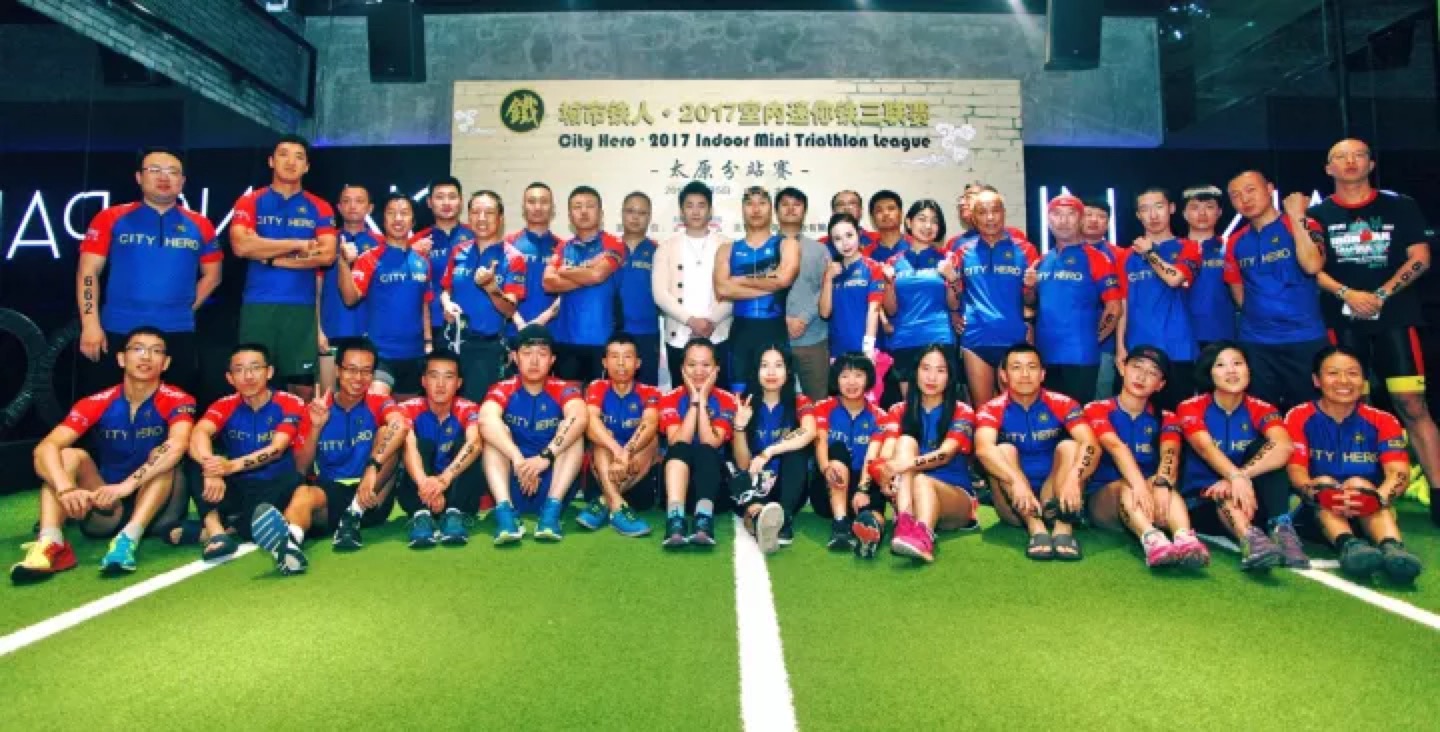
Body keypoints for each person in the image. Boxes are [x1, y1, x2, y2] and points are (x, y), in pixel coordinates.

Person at [1308, 138, 1440, 525]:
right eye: (1340, 157)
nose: (1350, 162)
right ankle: (1358, 494)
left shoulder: (1400, 206)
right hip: (1344, 322)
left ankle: (1437, 490)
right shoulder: (1317, 215)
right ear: (1328, 168)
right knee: (1350, 405)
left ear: (1371, 164)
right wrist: (1348, 294)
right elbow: (1312, 267)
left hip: (1395, 318)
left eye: (1358, 156)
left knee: (1412, 404)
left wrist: (1381, 294)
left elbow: (1421, 258)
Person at [12, 328, 195, 582]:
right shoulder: (97, 401)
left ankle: (127, 541)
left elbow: (177, 444)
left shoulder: (178, 399)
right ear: (121, 359)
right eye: (138, 349)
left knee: (163, 454)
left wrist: (127, 486)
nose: (146, 357)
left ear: (165, 363)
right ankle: (51, 542)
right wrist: (66, 488)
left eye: (156, 351)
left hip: (160, 507)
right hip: (107, 506)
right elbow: (45, 448)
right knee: (67, 455)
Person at [77, 147, 221, 397]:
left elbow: (213, 276)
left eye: (172, 171)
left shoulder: (201, 224)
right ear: (139, 177)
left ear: (182, 181)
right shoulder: (111, 218)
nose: (164, 177)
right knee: (108, 406)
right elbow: (88, 272)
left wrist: (184, 308)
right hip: (117, 328)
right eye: (154, 170)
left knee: (178, 407)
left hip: (178, 330)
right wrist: (90, 325)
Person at [1285, 346, 1423, 581]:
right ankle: (1349, 546)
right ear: (1316, 380)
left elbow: (1398, 473)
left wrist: (1376, 498)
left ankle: (1393, 549)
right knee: (1325, 483)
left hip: (1369, 510)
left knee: (1360, 484)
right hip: (1316, 511)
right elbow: (1296, 470)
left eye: (1352, 373)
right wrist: (1318, 492)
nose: (1344, 381)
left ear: (1363, 381)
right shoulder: (1299, 416)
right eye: (1333, 373)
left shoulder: (1383, 420)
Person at [1175, 341, 1308, 572]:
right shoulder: (1191, 407)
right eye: (1221, 365)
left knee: (1267, 448)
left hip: (1250, 496)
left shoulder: (1262, 408)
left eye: (1238, 363)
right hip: (1204, 500)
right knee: (1224, 494)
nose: (1231, 371)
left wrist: (1239, 477)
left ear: (1248, 369)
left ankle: (1281, 529)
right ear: (1209, 373)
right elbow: (1206, 448)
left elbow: (1284, 446)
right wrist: (1234, 479)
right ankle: (1252, 541)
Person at [229, 134, 337, 399]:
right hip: (258, 304)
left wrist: (268, 256)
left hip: (301, 308)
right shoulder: (250, 201)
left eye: (299, 157)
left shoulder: (319, 206)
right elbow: (241, 246)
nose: (291, 162)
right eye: (283, 155)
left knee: (303, 388)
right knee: (252, 382)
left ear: (307, 167)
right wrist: (298, 244)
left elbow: (326, 255)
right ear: (271, 161)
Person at [1083, 345, 1209, 568]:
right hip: (1104, 501)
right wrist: (1139, 485)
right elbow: (1115, 446)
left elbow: (1170, 454)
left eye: (1152, 373)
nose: (1141, 376)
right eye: (1136, 367)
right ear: (1122, 368)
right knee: (1128, 486)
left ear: (1160, 384)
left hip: (1148, 499)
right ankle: (1152, 540)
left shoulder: (1167, 418)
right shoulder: (1096, 409)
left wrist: (1162, 484)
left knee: (1161, 484)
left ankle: (1185, 539)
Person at [188, 344, 308, 571]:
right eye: (239, 370)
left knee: (295, 482)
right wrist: (210, 467)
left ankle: (232, 527)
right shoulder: (224, 404)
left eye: (255, 368)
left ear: (269, 372)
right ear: (230, 378)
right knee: (194, 462)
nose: (248, 376)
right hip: (237, 486)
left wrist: (230, 466)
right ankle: (216, 533)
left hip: (274, 486)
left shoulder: (291, 403)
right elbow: (199, 432)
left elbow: (277, 448)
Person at [974, 344, 1098, 561]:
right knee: (1003, 450)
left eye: (1032, 367)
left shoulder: (1063, 403)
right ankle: (1036, 529)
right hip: (1014, 502)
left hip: (1054, 497)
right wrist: (1016, 482)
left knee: (1070, 447)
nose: (1025, 374)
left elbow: (1091, 443)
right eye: (1016, 367)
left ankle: (1063, 528)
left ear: (1042, 374)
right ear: (1003, 375)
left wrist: (1074, 478)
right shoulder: (991, 409)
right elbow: (983, 449)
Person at [291, 339, 410, 551]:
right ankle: (289, 546)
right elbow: (301, 467)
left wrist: (372, 468)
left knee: (388, 433)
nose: (358, 378)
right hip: (331, 493)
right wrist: (316, 427)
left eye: (366, 371)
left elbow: (399, 425)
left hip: (372, 496)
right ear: (338, 370)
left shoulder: (379, 401)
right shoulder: (317, 409)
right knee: (302, 495)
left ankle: (353, 514)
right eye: (351, 370)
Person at [1223, 171, 1327, 412]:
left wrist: (1297, 216)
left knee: (1309, 412)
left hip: (1305, 338)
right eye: (1236, 195)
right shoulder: (1236, 241)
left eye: (1251, 190)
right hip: (1256, 343)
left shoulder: (1300, 224)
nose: (1244, 199)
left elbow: (1313, 265)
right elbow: (1238, 292)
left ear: (1269, 189)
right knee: (1262, 414)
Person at [479, 325, 588, 544]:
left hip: (553, 481)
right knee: (494, 434)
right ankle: (506, 514)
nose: (534, 361)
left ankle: (550, 514)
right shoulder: (502, 388)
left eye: (542, 354)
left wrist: (544, 458)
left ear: (552, 360)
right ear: (515, 358)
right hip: (512, 480)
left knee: (572, 431)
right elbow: (485, 420)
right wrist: (518, 459)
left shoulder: (564, 388)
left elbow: (579, 417)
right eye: (527, 353)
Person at [870, 346, 977, 563]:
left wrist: (903, 466)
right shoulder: (898, 410)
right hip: (907, 494)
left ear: (950, 376)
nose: (931, 377)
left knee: (921, 481)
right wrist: (884, 473)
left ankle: (924, 537)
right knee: (906, 441)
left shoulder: (962, 411)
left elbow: (945, 454)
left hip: (955, 499)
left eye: (940, 370)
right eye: (925, 368)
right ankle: (905, 522)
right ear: (915, 372)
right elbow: (887, 454)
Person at [336, 193, 432, 399]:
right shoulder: (369, 258)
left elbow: (424, 304)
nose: (398, 219)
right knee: (378, 403)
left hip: (415, 354)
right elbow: (350, 299)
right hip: (381, 354)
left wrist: (428, 342)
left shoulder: (422, 262)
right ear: (383, 219)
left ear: (413, 220)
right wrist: (343, 263)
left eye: (404, 213)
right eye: (391, 213)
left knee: (407, 414)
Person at [1116, 188, 1202, 411]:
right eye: (1145, 209)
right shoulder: (1125, 256)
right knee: (1139, 417)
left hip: (1179, 348)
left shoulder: (1189, 247)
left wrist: (1149, 253)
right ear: (1138, 215)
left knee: (1178, 417)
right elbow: (1122, 303)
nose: (1153, 215)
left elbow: (1174, 279)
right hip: (1138, 348)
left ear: (1171, 208)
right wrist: (1120, 347)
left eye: (1159, 206)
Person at [1033, 193, 1121, 404]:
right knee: (1052, 418)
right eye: (1057, 214)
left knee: (1080, 417)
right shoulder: (1042, 260)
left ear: (1081, 219)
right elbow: (1032, 305)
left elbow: (1114, 308)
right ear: (1048, 220)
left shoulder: (1097, 258)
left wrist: (1093, 339)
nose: (1063, 220)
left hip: (1080, 356)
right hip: (1044, 356)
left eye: (1071, 214)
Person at [728, 345, 817, 554]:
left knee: (796, 451)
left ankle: (783, 518)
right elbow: (743, 464)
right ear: (755, 371)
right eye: (764, 365)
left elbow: (809, 431)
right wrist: (739, 427)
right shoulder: (743, 404)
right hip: (751, 484)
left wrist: (769, 452)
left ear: (788, 371)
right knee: (731, 469)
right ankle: (758, 518)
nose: (771, 372)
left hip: (787, 488)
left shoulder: (800, 402)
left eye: (778, 365)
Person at [393, 350, 486, 548]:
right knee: (417, 443)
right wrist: (426, 486)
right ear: (423, 381)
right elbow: (409, 447)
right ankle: (421, 516)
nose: (441, 384)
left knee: (467, 444)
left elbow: (475, 444)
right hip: (418, 489)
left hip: (456, 487)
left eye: (448, 377)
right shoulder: (407, 409)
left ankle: (455, 514)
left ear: (459, 383)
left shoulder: (469, 408)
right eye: (434, 376)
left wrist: (443, 480)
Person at [439, 190, 525, 401]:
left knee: (477, 410)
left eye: (489, 212)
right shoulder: (458, 252)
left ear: (501, 218)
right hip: (452, 344)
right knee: (448, 407)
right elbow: (446, 290)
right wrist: (447, 304)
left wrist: (490, 287)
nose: (482, 218)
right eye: (476, 212)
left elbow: (509, 310)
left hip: (486, 350)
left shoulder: (513, 258)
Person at [714, 186, 801, 394]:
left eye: (762, 203)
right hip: (741, 333)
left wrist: (740, 280)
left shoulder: (786, 244)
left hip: (774, 329)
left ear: (771, 209)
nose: (756, 209)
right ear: (742, 209)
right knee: (739, 398)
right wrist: (772, 284)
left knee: (777, 397)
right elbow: (722, 288)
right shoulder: (727, 249)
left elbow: (784, 278)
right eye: (749, 203)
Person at [955, 190, 1038, 407]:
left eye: (995, 211)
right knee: (983, 410)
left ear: (1004, 213)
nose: (990, 218)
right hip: (976, 340)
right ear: (974, 218)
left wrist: (1031, 288)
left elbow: (1031, 301)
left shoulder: (1025, 249)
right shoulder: (962, 253)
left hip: (1014, 339)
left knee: (1016, 409)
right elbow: (955, 296)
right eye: (982, 212)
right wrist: (954, 314)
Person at [657, 337, 739, 548]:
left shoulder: (727, 400)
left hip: (713, 490)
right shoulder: (669, 398)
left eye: (706, 365)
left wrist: (702, 400)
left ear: (717, 369)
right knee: (680, 449)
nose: (698, 371)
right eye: (691, 365)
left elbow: (710, 441)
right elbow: (677, 441)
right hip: (675, 488)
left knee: (705, 450)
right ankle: (675, 521)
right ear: (682, 368)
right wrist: (694, 401)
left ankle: (704, 521)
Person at [578, 334, 662, 537]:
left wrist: (627, 454)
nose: (621, 363)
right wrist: (618, 452)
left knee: (652, 440)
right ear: (604, 362)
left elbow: (649, 423)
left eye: (627, 357)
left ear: (638, 363)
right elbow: (591, 422)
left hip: (637, 474)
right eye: (614, 356)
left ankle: (605, 501)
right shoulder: (597, 387)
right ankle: (617, 505)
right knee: (600, 438)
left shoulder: (650, 392)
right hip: (602, 473)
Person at [653, 181, 733, 390]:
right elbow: (660, 294)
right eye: (689, 206)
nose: (695, 211)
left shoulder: (728, 245)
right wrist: (691, 321)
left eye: (701, 205)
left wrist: (711, 321)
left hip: (718, 334)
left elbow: (734, 291)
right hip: (679, 336)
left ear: (710, 210)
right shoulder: (666, 247)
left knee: (719, 398)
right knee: (681, 399)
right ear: (681, 211)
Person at [543, 186, 626, 383]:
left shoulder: (613, 244)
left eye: (590, 206)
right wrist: (586, 272)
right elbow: (548, 282)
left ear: (601, 213)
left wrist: (565, 271)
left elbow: (597, 275)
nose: (583, 211)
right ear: (569, 215)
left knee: (597, 399)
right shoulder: (563, 247)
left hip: (601, 340)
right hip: (565, 339)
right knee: (568, 398)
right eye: (577, 206)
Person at [811, 354, 890, 555]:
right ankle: (840, 526)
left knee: (874, 511)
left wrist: (863, 489)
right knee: (837, 448)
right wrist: (825, 468)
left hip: (863, 484)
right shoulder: (823, 407)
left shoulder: (879, 416)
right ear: (836, 380)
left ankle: (871, 533)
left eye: (858, 375)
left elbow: (874, 455)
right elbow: (820, 441)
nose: (851, 382)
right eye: (845, 376)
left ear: (868, 379)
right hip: (828, 486)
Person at [881, 200, 959, 398]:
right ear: (909, 222)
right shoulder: (894, 262)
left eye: (934, 221)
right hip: (904, 339)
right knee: (909, 405)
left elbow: (954, 305)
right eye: (922, 219)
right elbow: (891, 310)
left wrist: (952, 278)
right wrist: (888, 284)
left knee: (940, 403)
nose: (928, 226)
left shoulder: (947, 258)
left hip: (939, 337)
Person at [318, 184, 381, 394]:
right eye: (346, 201)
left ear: (370, 208)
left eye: (359, 201)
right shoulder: (325, 243)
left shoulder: (381, 244)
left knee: (368, 400)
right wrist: (318, 330)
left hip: (370, 334)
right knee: (328, 398)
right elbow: (315, 290)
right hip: (331, 330)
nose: (352, 206)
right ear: (338, 207)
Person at [411, 176, 475, 347]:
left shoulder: (476, 236)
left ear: (461, 201)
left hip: (470, 323)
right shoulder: (416, 241)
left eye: (452, 197)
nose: (446, 203)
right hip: (430, 325)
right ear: (429, 202)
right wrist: (411, 255)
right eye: (440, 197)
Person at [781, 189, 832, 400]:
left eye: (797, 204)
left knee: (818, 402)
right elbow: (762, 290)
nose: (791, 209)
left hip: (814, 338)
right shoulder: (767, 248)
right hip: (776, 339)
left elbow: (825, 288)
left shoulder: (820, 250)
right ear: (776, 211)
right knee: (779, 403)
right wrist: (784, 320)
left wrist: (803, 318)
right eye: (785, 204)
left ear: (805, 211)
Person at [819, 213, 884, 361]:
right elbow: (824, 313)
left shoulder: (873, 267)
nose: (845, 243)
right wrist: (828, 279)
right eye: (837, 239)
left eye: (849, 235)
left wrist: (868, 348)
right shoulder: (831, 272)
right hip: (838, 351)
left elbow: (873, 310)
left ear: (858, 234)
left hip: (866, 350)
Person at [1181, 185, 1236, 352]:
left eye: (1209, 207)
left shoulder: (1232, 247)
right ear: (1184, 213)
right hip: (1181, 337)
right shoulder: (1172, 250)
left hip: (1223, 334)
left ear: (1219, 212)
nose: (1202, 213)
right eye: (1195, 207)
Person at [505, 182, 563, 332]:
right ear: (523, 208)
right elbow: (499, 290)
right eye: (531, 202)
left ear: (552, 208)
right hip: (514, 331)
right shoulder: (508, 244)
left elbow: (566, 294)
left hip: (551, 332)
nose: (538, 207)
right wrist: (519, 323)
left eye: (544, 202)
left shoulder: (564, 248)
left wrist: (541, 320)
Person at [618, 192, 662, 386]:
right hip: (614, 332)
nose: (635, 217)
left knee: (647, 391)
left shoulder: (659, 251)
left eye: (642, 213)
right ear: (622, 214)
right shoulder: (609, 249)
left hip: (647, 333)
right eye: (630, 211)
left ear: (649, 217)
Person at [1083, 197, 1124, 397]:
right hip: (1064, 348)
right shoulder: (1057, 255)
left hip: (1106, 345)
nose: (1094, 220)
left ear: (1108, 223)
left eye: (1101, 216)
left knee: (1101, 401)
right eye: (1088, 214)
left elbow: (1123, 303)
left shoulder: (1120, 255)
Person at [819, 189, 876, 258]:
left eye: (852, 203)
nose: (847, 208)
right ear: (833, 212)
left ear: (861, 210)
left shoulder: (877, 240)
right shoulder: (820, 245)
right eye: (840, 204)